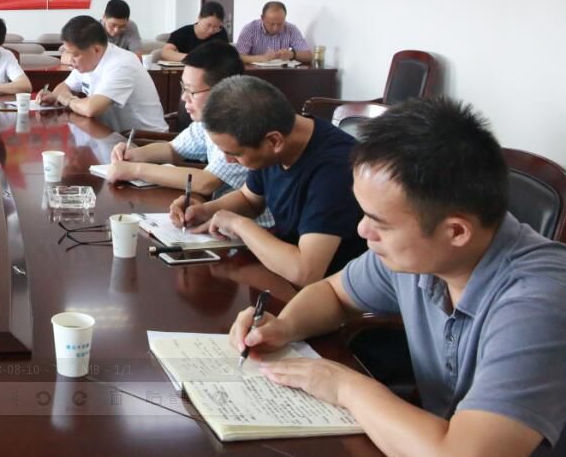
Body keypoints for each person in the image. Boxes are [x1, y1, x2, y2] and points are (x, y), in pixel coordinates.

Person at [230, 98, 566, 456]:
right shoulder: (421, 255)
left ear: (455, 231)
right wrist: (284, 327)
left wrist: (343, 386)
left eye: (380, 223)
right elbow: (334, 292)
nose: (362, 230)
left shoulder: (539, 301)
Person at [172, 75, 364, 286]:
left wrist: (238, 224)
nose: (228, 160)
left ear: (274, 141)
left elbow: (306, 271)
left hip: (331, 291)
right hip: (279, 275)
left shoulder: (335, 169)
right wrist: (205, 210)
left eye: (235, 153)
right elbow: (249, 199)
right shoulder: (272, 135)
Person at [104, 42, 273, 227]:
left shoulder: (241, 126)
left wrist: (135, 170)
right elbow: (173, 149)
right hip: (222, 220)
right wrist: (134, 154)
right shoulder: (207, 122)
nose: (184, 97)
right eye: (183, 87)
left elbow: (206, 182)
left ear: (222, 91)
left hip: (257, 228)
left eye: (191, 90)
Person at [39, 15, 167, 133]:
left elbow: (91, 109)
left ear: (96, 49)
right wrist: (54, 96)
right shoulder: (87, 61)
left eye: (75, 54)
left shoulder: (121, 64)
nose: (70, 59)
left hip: (144, 141)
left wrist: (67, 99)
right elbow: (62, 88)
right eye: (68, 52)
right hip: (114, 136)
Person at [234, 1, 311, 64]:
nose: (275, 28)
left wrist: (292, 54)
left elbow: (309, 56)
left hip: (282, 73)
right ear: (262, 18)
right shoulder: (250, 29)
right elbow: (238, 56)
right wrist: (262, 58)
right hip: (255, 73)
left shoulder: (291, 29)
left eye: (280, 24)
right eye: (271, 24)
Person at [159, 1, 229, 62]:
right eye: (208, 25)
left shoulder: (221, 32)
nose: (211, 31)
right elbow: (166, 53)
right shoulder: (183, 32)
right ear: (199, 18)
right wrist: (194, 58)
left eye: (216, 27)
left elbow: (226, 56)